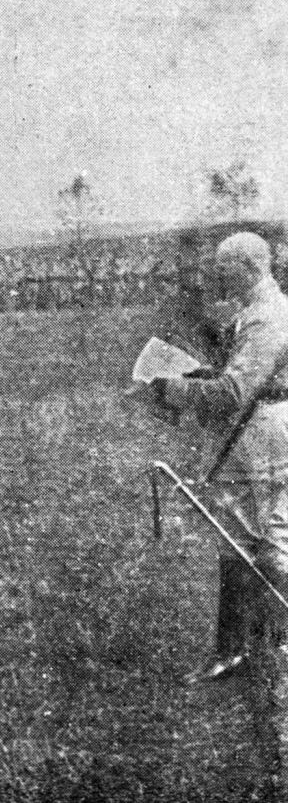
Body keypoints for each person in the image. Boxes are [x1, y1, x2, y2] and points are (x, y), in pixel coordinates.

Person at [146, 232, 288, 686]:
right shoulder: (259, 310)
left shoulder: (266, 317)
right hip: (258, 428)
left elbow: (234, 393)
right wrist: (195, 376)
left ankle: (245, 648)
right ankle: (252, 642)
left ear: (248, 268)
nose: (218, 276)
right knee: (250, 535)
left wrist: (172, 387)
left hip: (261, 435)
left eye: (225, 269)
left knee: (254, 538)